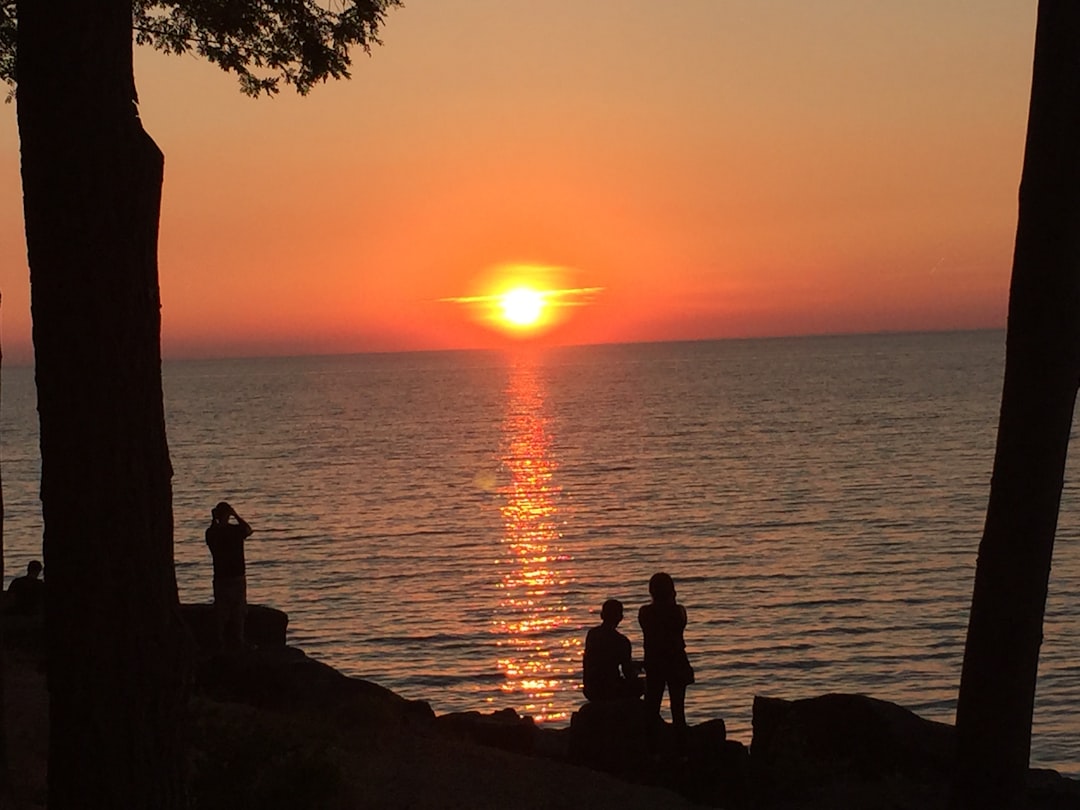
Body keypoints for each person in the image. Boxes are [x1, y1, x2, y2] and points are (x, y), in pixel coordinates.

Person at [638, 572, 693, 745]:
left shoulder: (645, 613)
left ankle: (652, 749)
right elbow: (680, 621)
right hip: (676, 664)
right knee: (678, 710)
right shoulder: (678, 612)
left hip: (655, 665)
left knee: (651, 709)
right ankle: (681, 750)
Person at [205, 501, 253, 650]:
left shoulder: (212, 533)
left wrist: (214, 520)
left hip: (220, 576)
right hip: (236, 575)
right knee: (238, 611)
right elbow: (248, 530)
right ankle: (237, 641)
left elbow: (211, 533)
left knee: (221, 611)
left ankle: (219, 641)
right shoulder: (234, 531)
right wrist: (236, 515)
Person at [583, 598, 645, 702]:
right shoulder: (622, 641)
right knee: (642, 685)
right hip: (611, 688)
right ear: (620, 617)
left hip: (590, 689)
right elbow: (627, 672)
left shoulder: (592, 634)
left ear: (602, 615)